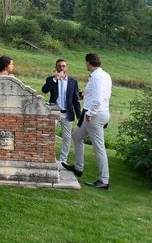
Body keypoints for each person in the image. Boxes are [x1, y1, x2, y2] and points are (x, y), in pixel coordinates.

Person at [62, 53, 112, 189]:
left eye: (86, 63)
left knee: (99, 148)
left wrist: (90, 113)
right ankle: (78, 168)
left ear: (88, 63)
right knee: (76, 136)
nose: (86, 65)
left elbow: (98, 99)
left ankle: (104, 180)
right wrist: (84, 94)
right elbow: (99, 94)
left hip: (94, 116)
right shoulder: (104, 75)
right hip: (99, 113)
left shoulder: (96, 78)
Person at [41, 59, 82, 165]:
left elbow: (75, 100)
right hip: (54, 110)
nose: (61, 68)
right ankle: (48, 156)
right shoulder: (51, 79)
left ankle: (63, 159)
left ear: (66, 68)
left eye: (63, 66)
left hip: (67, 113)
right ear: (56, 68)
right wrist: (55, 78)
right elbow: (44, 90)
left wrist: (79, 116)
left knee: (67, 137)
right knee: (49, 134)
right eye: (59, 66)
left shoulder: (73, 81)